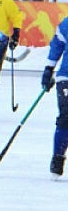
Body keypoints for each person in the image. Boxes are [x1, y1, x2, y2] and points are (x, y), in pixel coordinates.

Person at [41, 19, 68, 177]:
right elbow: (57, 45)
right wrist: (48, 69)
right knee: (66, 117)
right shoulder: (67, 24)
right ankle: (58, 158)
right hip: (66, 77)